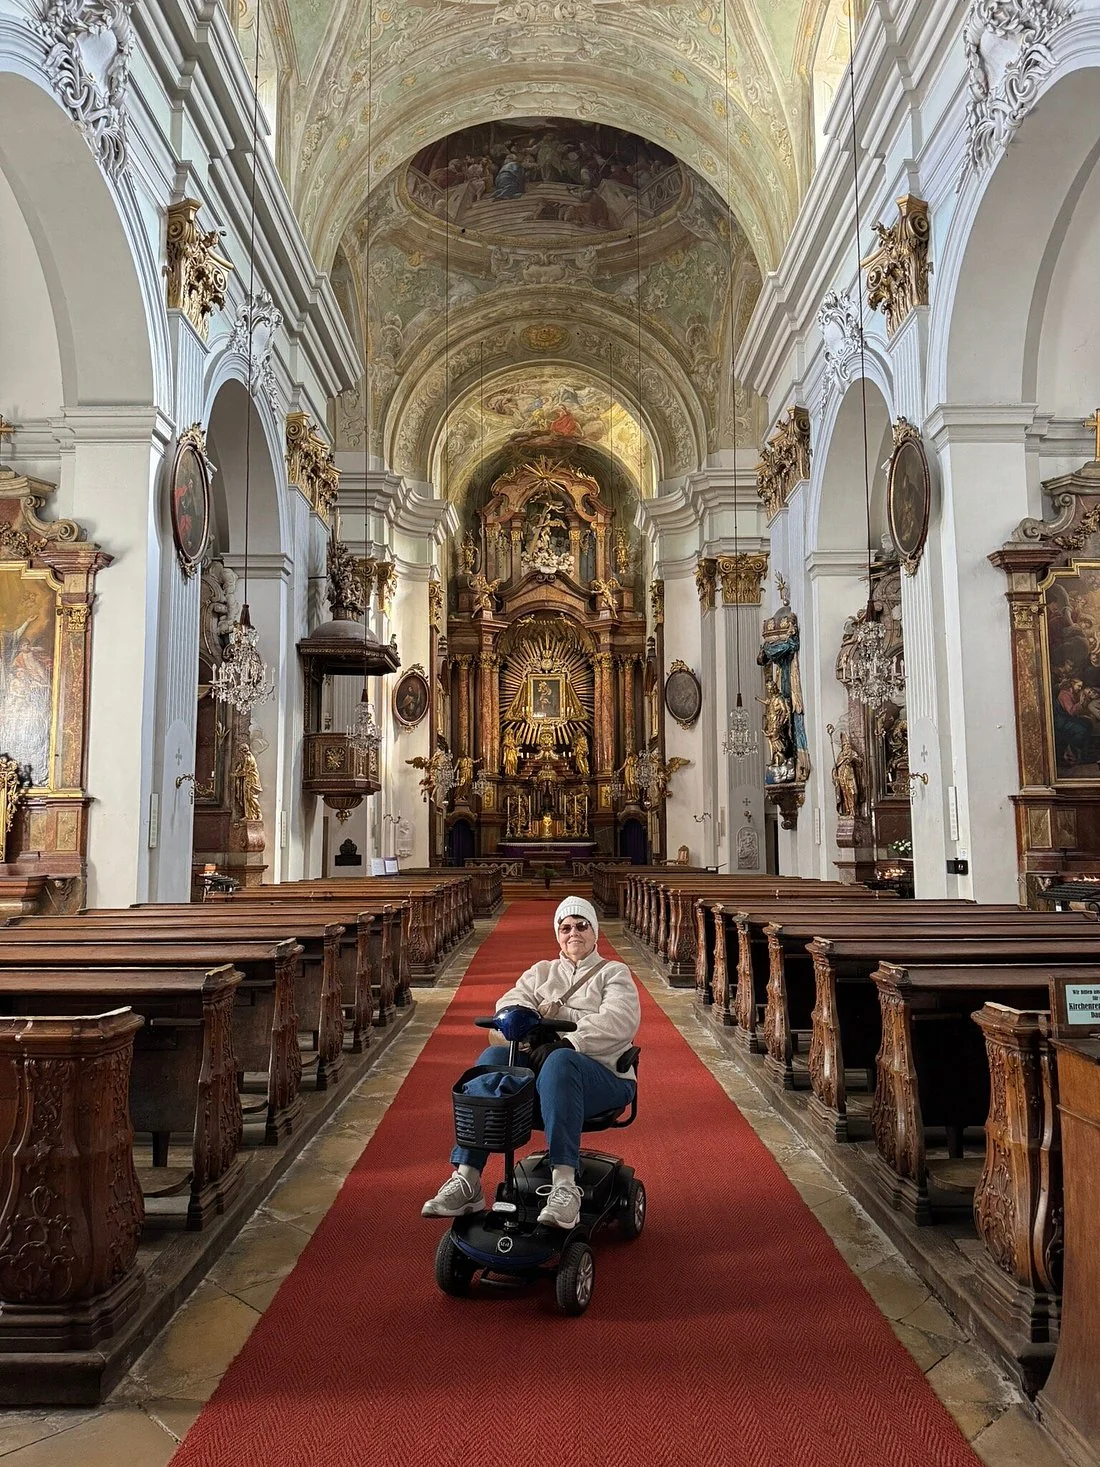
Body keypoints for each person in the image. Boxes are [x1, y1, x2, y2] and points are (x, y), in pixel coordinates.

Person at [422, 896, 640, 1230]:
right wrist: (526, 1026)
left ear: (595, 931)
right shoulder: (542, 972)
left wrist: (567, 1040)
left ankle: (565, 1184)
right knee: (493, 1060)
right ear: (558, 935)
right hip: (546, 1081)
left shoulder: (613, 973)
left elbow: (619, 1020)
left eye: (582, 925)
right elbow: (510, 1001)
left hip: (604, 1074)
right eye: (565, 928)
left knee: (561, 1061)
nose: (573, 933)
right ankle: (467, 1178)